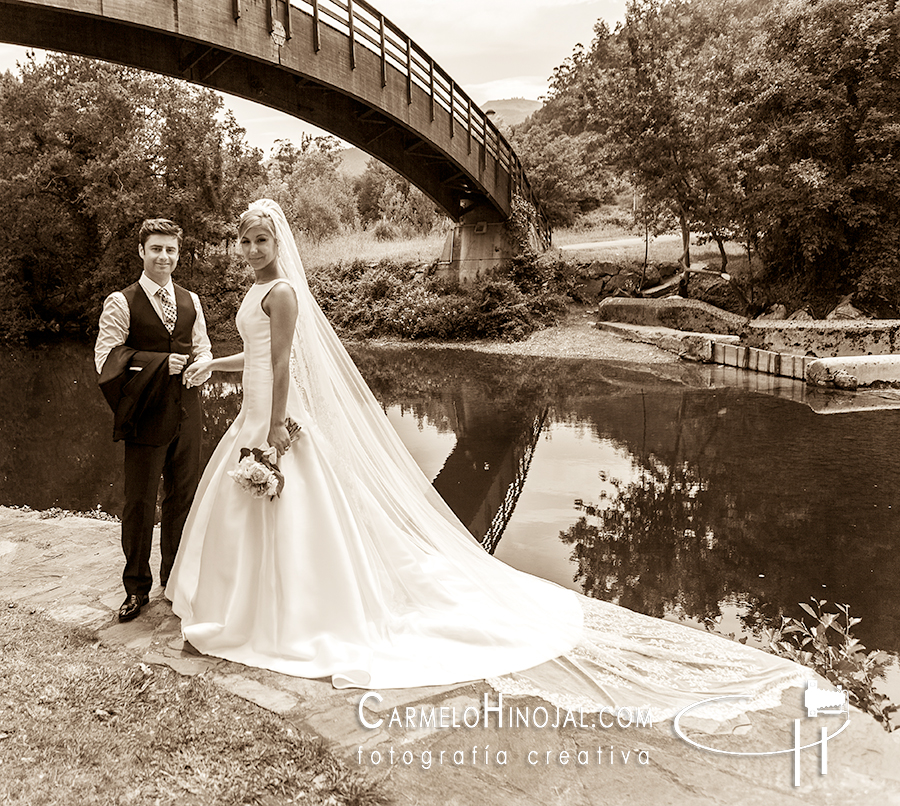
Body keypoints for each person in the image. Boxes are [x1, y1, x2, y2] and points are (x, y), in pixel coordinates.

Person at [168, 200, 806, 720]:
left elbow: (282, 364)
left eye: (261, 240)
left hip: (274, 416)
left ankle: (297, 617)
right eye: (245, 241)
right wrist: (210, 363)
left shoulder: (282, 293)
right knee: (243, 507)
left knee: (295, 509)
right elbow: (252, 355)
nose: (253, 250)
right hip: (252, 408)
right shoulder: (252, 294)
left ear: (278, 243)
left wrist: (277, 428)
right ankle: (243, 605)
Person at [96, 218, 212, 623]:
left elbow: (202, 349)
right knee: (140, 503)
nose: (164, 256)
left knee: (183, 497)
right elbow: (106, 361)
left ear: (178, 254)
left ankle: (173, 579)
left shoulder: (191, 300)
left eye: (171, 250)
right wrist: (161, 364)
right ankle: (136, 588)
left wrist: (202, 365)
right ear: (142, 252)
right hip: (146, 414)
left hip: (188, 411)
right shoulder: (121, 302)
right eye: (157, 249)